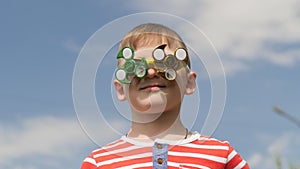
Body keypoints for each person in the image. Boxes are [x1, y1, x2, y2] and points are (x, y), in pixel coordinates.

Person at [80, 23, 250, 169]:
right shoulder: (98, 162)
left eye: (166, 64)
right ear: (119, 89)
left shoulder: (222, 155)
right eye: (136, 67)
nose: (152, 72)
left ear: (189, 83)